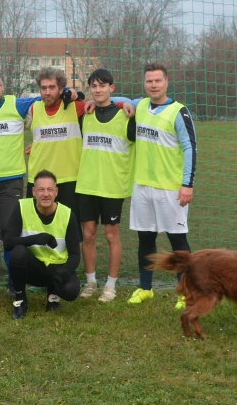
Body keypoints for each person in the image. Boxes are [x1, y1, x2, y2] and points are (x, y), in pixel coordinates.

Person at [0, 73, 81, 295]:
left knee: (12, 232)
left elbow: (52, 96)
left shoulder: (19, 104)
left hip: (12, 179)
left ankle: (14, 279)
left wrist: (73, 91)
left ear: (3, 86)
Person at [118, 63, 197, 309]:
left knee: (178, 242)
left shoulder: (178, 111)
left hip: (170, 189)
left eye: (157, 81)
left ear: (166, 82)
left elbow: (190, 148)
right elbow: (118, 98)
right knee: (145, 239)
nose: (153, 85)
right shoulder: (140, 105)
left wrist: (187, 184)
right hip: (142, 185)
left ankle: (185, 292)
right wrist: (125, 102)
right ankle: (145, 289)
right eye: (149, 81)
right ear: (144, 84)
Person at [75, 69, 135, 302]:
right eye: (94, 86)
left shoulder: (126, 114)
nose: (98, 90)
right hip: (87, 185)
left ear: (112, 87)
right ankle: (90, 282)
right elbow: (70, 97)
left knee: (111, 235)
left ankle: (110, 286)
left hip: (112, 187)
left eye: (103, 85)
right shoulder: (85, 114)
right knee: (88, 235)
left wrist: (127, 103)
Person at [4, 170, 82, 319]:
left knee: (71, 290)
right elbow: (8, 243)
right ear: (34, 191)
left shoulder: (67, 214)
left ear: (56, 192)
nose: (45, 194)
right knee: (18, 252)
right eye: (41, 189)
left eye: (49, 189)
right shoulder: (22, 207)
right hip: (33, 268)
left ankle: (53, 297)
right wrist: (36, 238)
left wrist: (64, 272)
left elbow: (75, 254)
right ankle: (20, 301)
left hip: (56, 268)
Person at [25, 67, 87, 220]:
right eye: (43, 88)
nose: (47, 92)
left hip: (68, 179)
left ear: (61, 89)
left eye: (52, 87)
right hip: (38, 179)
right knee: (35, 227)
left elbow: (102, 101)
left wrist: (123, 104)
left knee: (69, 228)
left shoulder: (76, 106)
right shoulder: (33, 109)